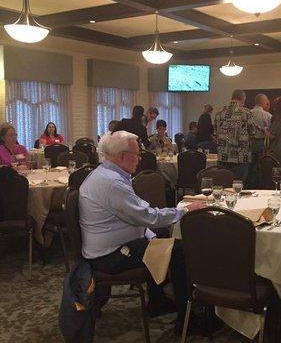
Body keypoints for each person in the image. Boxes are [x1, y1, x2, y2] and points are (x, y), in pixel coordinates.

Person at [78, 131, 204, 329]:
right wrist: (182, 211)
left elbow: (139, 213)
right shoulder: (112, 182)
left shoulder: (107, 174)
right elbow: (147, 216)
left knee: (160, 235)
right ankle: (187, 320)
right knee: (179, 250)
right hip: (110, 255)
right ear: (121, 156)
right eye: (137, 154)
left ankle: (158, 301)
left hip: (109, 244)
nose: (140, 158)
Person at [214, 90, 256, 181]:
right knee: (238, 187)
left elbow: (216, 133)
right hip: (240, 157)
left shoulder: (219, 112)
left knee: (224, 186)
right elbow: (253, 132)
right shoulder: (246, 112)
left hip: (223, 156)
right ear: (242, 100)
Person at [247, 94, 272, 188]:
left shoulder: (248, 113)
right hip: (262, 143)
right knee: (261, 168)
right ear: (264, 102)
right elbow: (271, 132)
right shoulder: (268, 116)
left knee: (249, 168)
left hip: (249, 144)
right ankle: (259, 187)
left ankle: (249, 186)